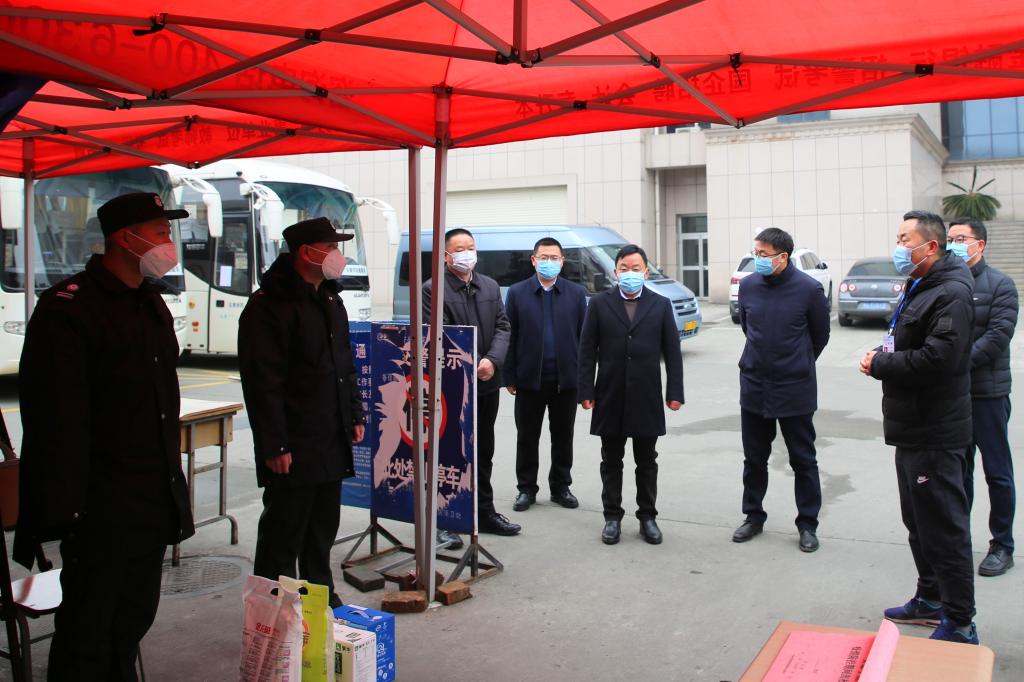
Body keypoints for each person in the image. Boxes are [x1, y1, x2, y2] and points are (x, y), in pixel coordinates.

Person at [15, 192, 195, 679]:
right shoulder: (69, 308)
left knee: (131, 622)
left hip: (151, 501)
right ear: (125, 238)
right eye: (160, 232)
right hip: (99, 508)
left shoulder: (151, 303)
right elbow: (54, 420)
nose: (168, 242)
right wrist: (67, 512)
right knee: (87, 633)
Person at [861, 210, 979, 645]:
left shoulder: (951, 292)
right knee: (919, 523)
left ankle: (960, 621)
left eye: (904, 240)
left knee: (944, 529)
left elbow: (939, 359)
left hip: (935, 431)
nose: (898, 247)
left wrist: (881, 364)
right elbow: (906, 339)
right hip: (912, 427)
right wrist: (883, 353)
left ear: (930, 246)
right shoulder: (920, 285)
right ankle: (930, 598)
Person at [238, 217, 365, 609]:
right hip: (293, 441)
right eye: (331, 248)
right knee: (284, 531)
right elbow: (263, 383)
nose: (337, 256)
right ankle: (272, 611)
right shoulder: (269, 305)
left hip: (331, 434)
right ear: (306, 253)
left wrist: (354, 413)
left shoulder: (330, 299)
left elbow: (344, 366)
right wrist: (274, 444)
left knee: (322, 527)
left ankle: (319, 600)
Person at [732, 228, 830, 552]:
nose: (757, 259)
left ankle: (807, 524)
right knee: (754, 459)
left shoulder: (809, 290)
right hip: (755, 385)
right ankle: (753, 516)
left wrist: (797, 361)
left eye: (763, 254)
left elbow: (820, 336)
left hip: (794, 388)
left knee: (803, 459)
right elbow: (748, 328)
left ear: (783, 257)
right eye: (756, 253)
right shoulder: (748, 286)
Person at [578, 244, 683, 545]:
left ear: (646, 272)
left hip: (646, 395)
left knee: (647, 460)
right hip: (609, 393)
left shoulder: (660, 305)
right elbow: (587, 351)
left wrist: (675, 391)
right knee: (611, 459)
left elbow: (672, 352)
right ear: (615, 272)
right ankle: (612, 517)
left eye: (636, 268)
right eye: (624, 268)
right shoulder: (599, 304)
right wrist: (586, 390)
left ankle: (647, 517)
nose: (630, 273)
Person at [423, 227, 519, 543]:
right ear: (446, 256)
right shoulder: (432, 289)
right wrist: (473, 362)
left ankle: (484, 512)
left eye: (470, 247)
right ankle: (446, 519)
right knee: (450, 452)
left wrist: (492, 360)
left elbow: (503, 326)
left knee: (483, 449)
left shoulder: (488, 285)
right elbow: (437, 333)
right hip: (452, 386)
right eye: (459, 249)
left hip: (487, 383)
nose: (467, 254)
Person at [947, 217, 1018, 577]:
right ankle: (957, 541)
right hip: (953, 396)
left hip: (988, 393)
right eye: (950, 238)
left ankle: (1002, 545)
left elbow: (997, 336)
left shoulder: (1000, 285)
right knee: (958, 472)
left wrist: (954, 364)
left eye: (961, 239)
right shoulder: (947, 284)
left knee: (997, 472)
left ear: (980, 244)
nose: (954, 245)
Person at [504, 237, 588, 512]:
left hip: (566, 380)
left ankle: (561, 487)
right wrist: (510, 375)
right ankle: (526, 489)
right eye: (544, 257)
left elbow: (585, 339)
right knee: (527, 437)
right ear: (534, 260)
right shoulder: (517, 293)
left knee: (563, 437)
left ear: (562, 262)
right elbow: (509, 336)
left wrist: (584, 379)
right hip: (529, 380)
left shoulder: (576, 294)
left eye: (554, 258)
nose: (549, 262)